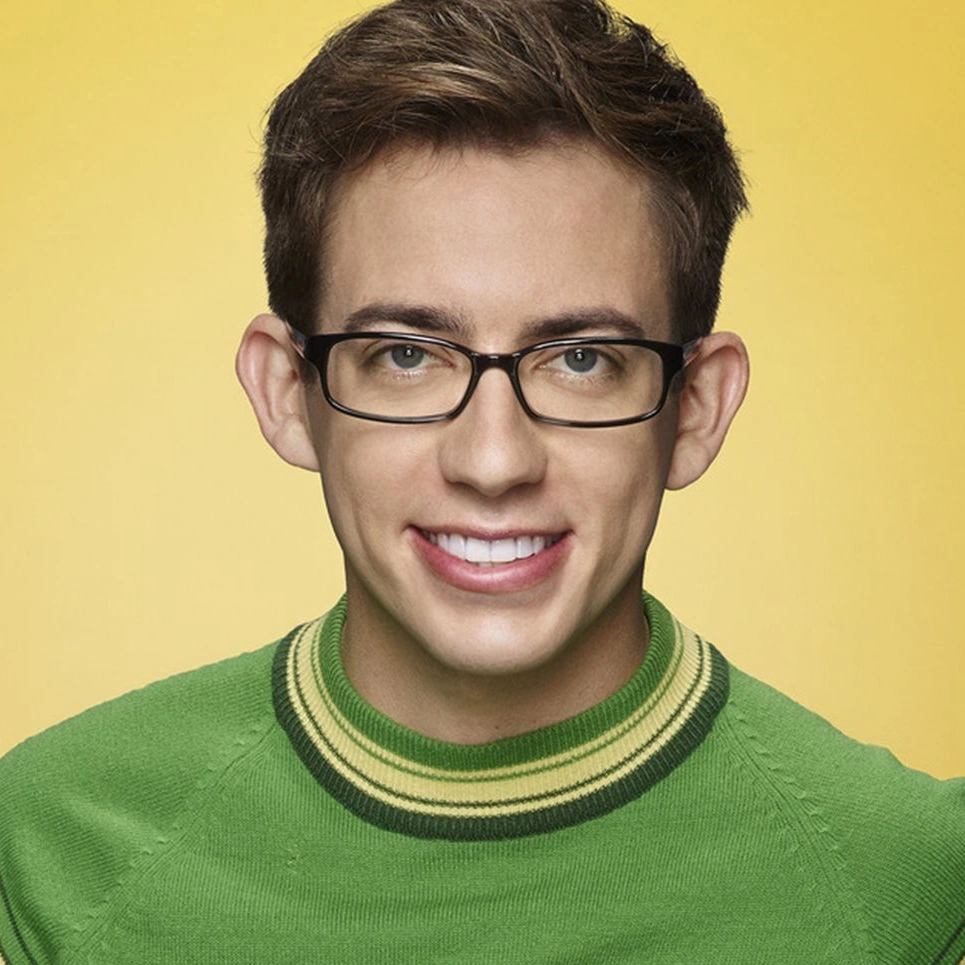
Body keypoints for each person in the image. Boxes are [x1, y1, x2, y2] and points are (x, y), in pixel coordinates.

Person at [0, 0, 962, 961]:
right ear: (287, 392)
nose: (493, 462)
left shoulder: (905, 884)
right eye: (406, 355)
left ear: (696, 408)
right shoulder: (52, 848)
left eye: (581, 359)